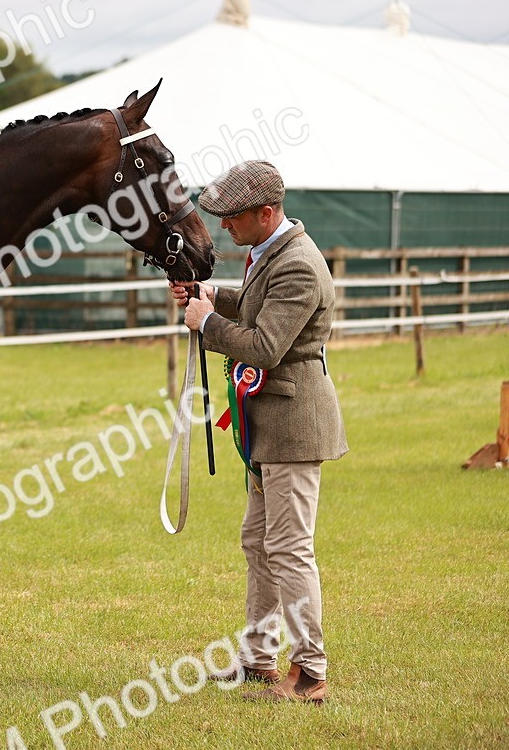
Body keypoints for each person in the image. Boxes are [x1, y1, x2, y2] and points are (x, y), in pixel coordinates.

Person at [170, 160, 347, 704]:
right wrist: (210, 294)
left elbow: (266, 345)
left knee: (290, 548)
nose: (223, 224)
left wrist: (206, 323)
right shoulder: (271, 252)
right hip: (270, 426)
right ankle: (258, 658)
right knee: (259, 542)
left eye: (233, 217)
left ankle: (311, 671)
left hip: (293, 426)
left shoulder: (297, 265)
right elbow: (254, 305)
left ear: (266, 213)